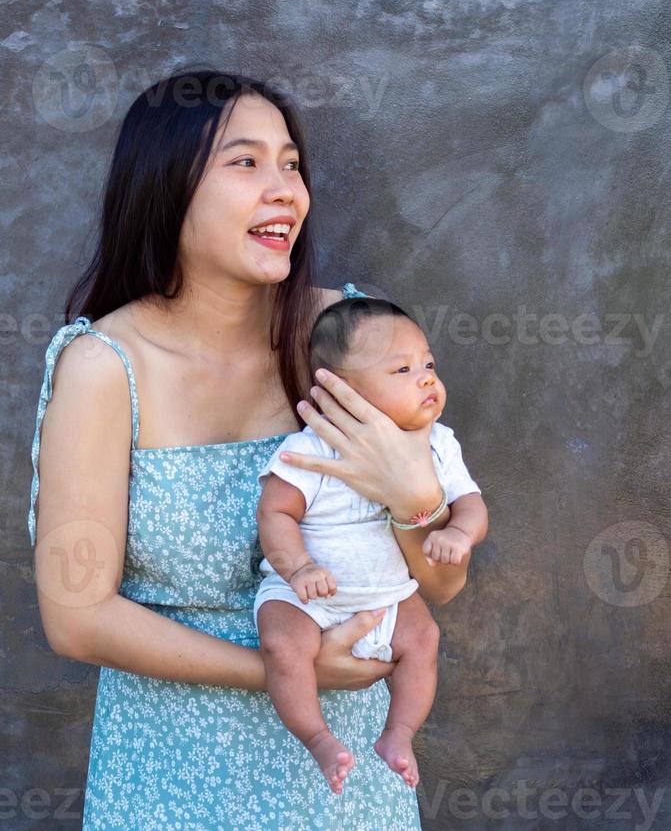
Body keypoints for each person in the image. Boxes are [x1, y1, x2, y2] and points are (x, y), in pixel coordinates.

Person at [27, 67, 488, 829]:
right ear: (166, 186)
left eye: (291, 164)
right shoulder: (105, 366)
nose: (285, 190)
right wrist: (289, 669)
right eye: (245, 162)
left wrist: (415, 505)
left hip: (346, 787)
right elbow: (77, 619)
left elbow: (436, 587)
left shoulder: (345, 338)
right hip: (170, 775)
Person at [254, 294, 487, 794]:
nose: (427, 377)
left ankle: (398, 735)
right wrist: (297, 568)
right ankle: (316, 736)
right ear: (341, 393)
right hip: (306, 597)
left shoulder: (440, 444)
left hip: (388, 598)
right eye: (401, 369)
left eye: (429, 364)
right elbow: (276, 512)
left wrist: (457, 532)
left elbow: (471, 504)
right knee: (282, 643)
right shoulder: (311, 448)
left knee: (423, 640)